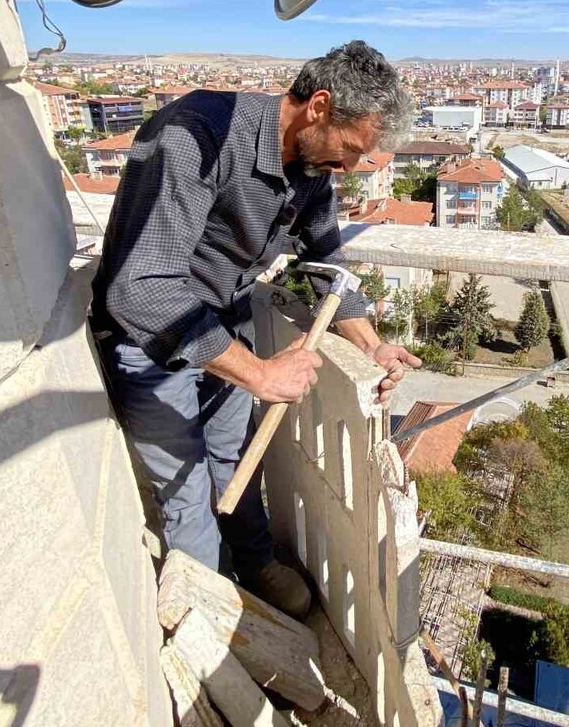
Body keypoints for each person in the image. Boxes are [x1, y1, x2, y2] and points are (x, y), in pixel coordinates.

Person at [91, 41, 422, 618]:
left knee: (233, 455)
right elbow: (139, 288)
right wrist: (261, 374)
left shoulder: (310, 167)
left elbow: (324, 265)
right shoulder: (198, 136)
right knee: (187, 491)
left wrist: (371, 346)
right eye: (349, 150)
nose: (347, 169)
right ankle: (218, 617)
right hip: (149, 341)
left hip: (223, 326)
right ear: (319, 106)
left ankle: (255, 564)